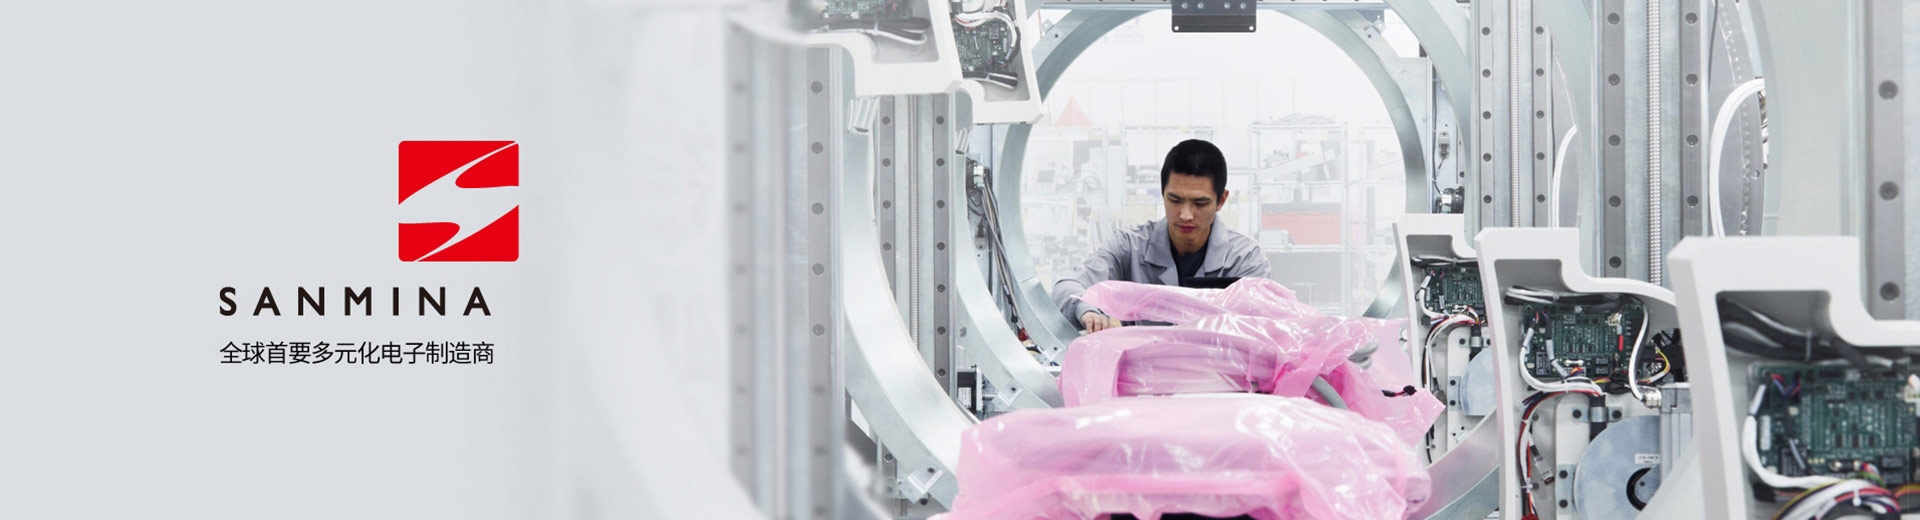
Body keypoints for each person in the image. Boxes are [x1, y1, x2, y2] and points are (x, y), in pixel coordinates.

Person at [1053, 139, 1271, 333]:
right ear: (1162, 193)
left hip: (1217, 367)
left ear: (1221, 200)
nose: (1185, 215)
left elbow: (1257, 328)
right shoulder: (1129, 246)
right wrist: (1087, 311)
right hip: (1140, 366)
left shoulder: (1245, 260)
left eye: (1200, 203)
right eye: (1175, 200)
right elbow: (1067, 286)